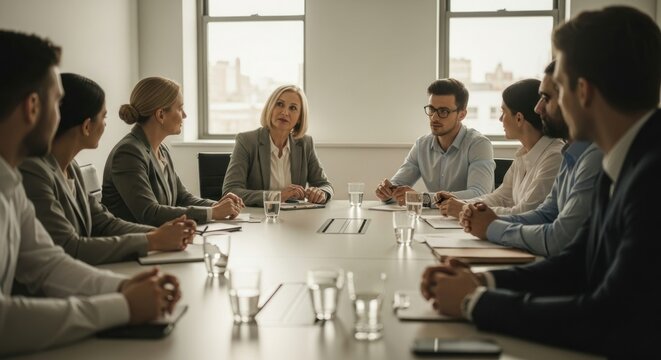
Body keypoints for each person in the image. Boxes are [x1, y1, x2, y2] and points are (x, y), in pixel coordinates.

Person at [420, 6, 661, 357]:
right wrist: (482, 281)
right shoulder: (627, 159)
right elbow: (578, 263)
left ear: (584, 92)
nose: (540, 108)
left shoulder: (651, 176)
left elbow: (611, 319)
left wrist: (475, 303)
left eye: (557, 88)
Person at [0, 30, 181, 356]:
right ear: (32, 107)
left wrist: (124, 287)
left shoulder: (9, 183)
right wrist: (122, 305)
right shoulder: (27, 175)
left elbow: (48, 264)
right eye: (57, 102)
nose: (60, 115)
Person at [20, 73, 196, 265]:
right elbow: (69, 247)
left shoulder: (72, 167)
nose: (105, 124)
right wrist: (152, 240)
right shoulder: (34, 171)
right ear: (87, 126)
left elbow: (104, 222)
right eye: (104, 117)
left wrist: (160, 234)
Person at [456, 61, 603, 257]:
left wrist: (491, 226)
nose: (537, 108)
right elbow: (545, 213)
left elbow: (558, 236)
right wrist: (480, 216)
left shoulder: (564, 156)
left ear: (582, 95)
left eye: (546, 98)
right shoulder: (570, 153)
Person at [102, 76, 244, 226]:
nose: (184, 115)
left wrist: (217, 205)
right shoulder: (128, 153)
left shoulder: (161, 149)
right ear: (161, 115)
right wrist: (213, 213)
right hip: (136, 244)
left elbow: (181, 198)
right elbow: (149, 213)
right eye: (180, 108)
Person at [439, 79, 564, 217]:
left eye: (503, 112)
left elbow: (525, 214)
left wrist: (465, 209)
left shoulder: (555, 157)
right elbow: (500, 197)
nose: (500, 119)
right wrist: (459, 202)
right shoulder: (523, 154)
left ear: (519, 118)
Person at [374, 78, 494, 207]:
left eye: (443, 111)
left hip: (469, 222)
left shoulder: (479, 144)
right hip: (433, 221)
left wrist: (423, 199)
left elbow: (479, 194)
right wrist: (387, 193)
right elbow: (397, 189)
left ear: (462, 114)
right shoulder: (422, 145)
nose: (434, 117)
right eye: (431, 109)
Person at [222, 84, 334, 207]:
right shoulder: (247, 141)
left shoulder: (305, 143)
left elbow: (325, 185)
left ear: (300, 118)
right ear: (270, 108)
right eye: (279, 104)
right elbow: (231, 191)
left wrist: (321, 193)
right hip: (258, 219)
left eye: (293, 108)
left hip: (296, 220)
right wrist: (276, 196)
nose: (285, 112)